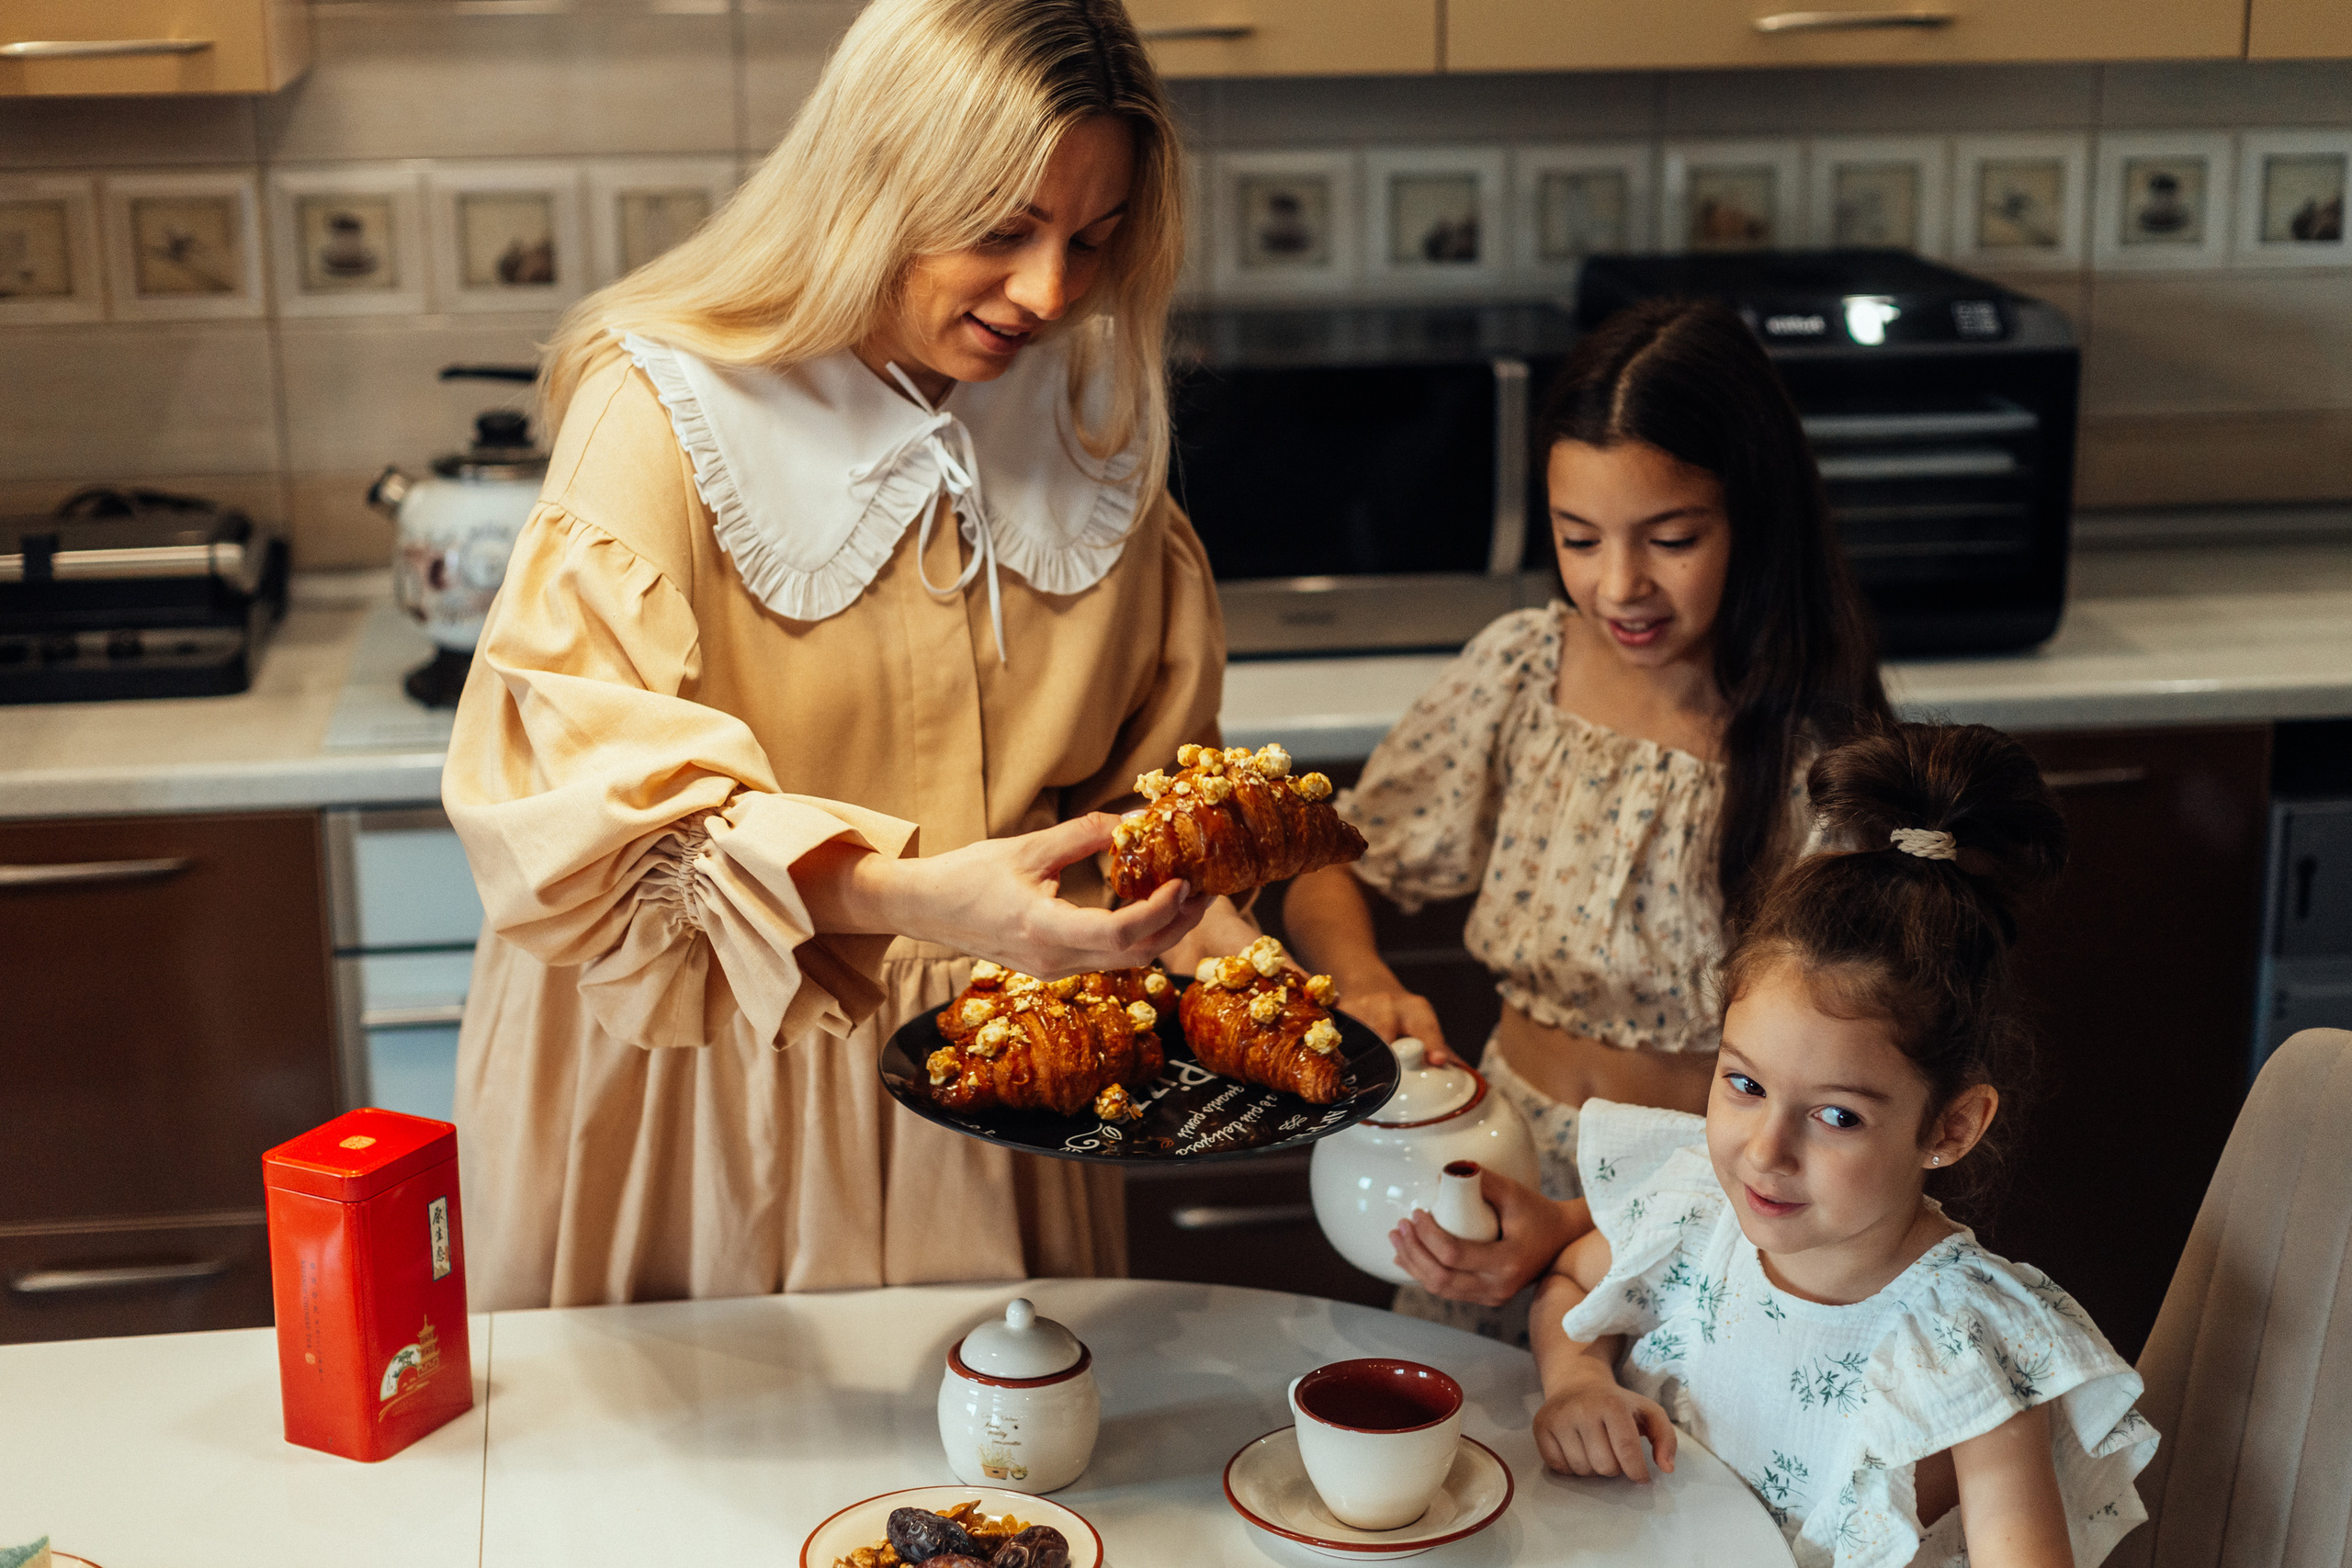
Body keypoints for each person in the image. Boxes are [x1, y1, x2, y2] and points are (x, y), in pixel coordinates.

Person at [441, 0, 1259, 1312]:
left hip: (1000, 1075)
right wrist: (918, 898)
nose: (1049, 293)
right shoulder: (664, 415)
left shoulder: (1088, 421)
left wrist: (1207, 937)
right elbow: (585, 834)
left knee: (1000, 1440)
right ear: (874, 185)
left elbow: (1145, 797)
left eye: (1094, 239)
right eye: (1002, 230)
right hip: (696, 1079)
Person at [1281, 297, 1890, 1331]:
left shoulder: (1825, 756)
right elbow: (1326, 858)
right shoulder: (1524, 670)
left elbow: (1837, 1108)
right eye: (1578, 538)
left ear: (1757, 515)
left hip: (1711, 1216)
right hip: (1497, 1172)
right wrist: (1366, 982)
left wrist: (1574, 1228)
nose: (1619, 585)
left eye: (1672, 538)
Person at [1528, 723, 2159, 1568]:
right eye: (1744, 1084)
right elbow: (1572, 1281)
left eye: (1836, 1116)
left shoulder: (1960, 1343)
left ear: (1950, 1126)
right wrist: (1577, 1382)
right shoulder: (1700, 1218)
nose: (1766, 1151)